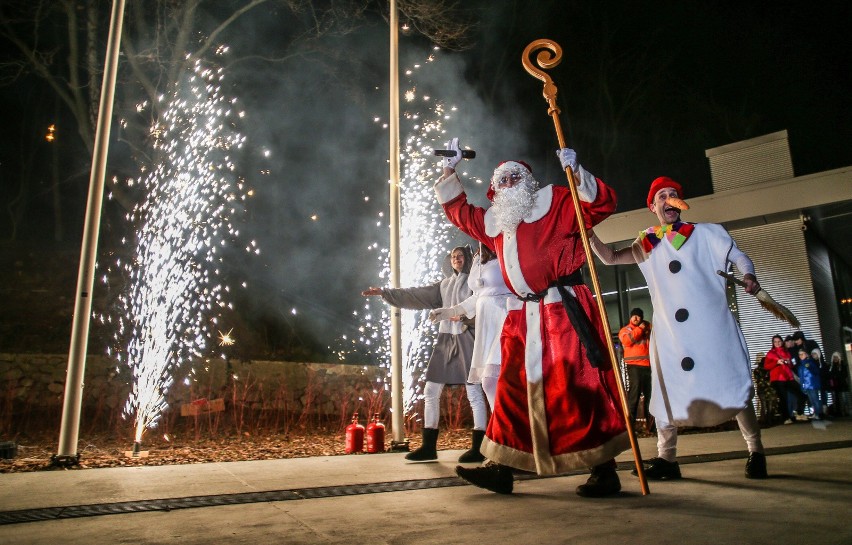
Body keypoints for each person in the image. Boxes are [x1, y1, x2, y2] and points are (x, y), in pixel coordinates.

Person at [434, 138, 629, 497]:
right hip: (522, 315)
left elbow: (602, 204)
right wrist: (450, 170)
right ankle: (501, 466)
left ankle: (604, 468)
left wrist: (579, 173)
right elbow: (460, 211)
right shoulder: (495, 224)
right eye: (502, 180)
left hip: (564, 310)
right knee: (511, 390)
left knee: (574, 387)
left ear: (528, 181)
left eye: (515, 177)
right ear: (494, 189)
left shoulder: (556, 203)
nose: (508, 184)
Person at [589, 176, 768, 480]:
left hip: (712, 329)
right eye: (662, 196)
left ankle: (756, 451)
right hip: (672, 335)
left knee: (733, 388)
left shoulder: (706, 233)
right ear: (653, 206)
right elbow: (609, 258)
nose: (669, 199)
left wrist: (748, 275)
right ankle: (666, 459)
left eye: (674, 194)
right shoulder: (647, 241)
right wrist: (588, 231)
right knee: (665, 392)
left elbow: (738, 256)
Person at [361, 246, 488, 462]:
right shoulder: (444, 285)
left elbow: (485, 304)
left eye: (460, 256)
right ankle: (429, 446)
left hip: (468, 338)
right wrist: (386, 293)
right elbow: (416, 295)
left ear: (467, 259)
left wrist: (466, 319)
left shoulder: (476, 280)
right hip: (446, 339)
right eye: (453, 257)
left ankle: (479, 448)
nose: (456, 259)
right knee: (430, 390)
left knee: (474, 393)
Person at [428, 243, 512, 463]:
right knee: (488, 382)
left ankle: (507, 446)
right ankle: (502, 446)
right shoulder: (478, 257)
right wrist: (447, 311)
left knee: (500, 382)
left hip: (506, 317)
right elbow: (475, 298)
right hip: (487, 323)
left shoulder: (507, 248)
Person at [618, 308, 653, 433]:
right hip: (634, 366)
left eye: (638, 316)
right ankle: (630, 428)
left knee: (651, 398)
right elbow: (627, 341)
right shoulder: (626, 330)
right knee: (634, 397)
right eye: (634, 316)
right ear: (631, 318)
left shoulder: (648, 327)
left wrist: (647, 328)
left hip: (648, 366)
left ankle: (651, 427)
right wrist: (641, 329)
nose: (636, 318)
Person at [764, 334, 798, 424]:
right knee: (783, 398)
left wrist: (788, 362)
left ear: (782, 342)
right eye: (775, 342)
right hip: (777, 379)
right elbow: (766, 366)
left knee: (799, 392)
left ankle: (797, 412)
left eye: (779, 341)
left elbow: (791, 365)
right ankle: (786, 417)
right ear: (773, 343)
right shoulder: (771, 353)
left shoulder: (786, 352)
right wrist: (776, 362)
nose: (777, 343)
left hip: (788, 377)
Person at [796, 348, 823, 420]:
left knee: (815, 399)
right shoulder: (801, 365)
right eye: (799, 354)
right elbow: (801, 377)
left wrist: (809, 367)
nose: (801, 356)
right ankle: (815, 413)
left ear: (806, 354)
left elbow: (816, 372)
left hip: (812, 384)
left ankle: (818, 413)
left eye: (802, 354)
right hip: (806, 385)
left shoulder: (811, 362)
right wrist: (802, 386)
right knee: (811, 400)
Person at [827, 352, 849, 417]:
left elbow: (845, 374)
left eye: (836, 357)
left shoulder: (842, 365)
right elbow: (830, 375)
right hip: (834, 385)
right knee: (836, 399)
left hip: (842, 384)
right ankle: (838, 411)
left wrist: (837, 376)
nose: (835, 358)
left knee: (844, 399)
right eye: (834, 357)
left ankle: (846, 411)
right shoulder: (831, 366)